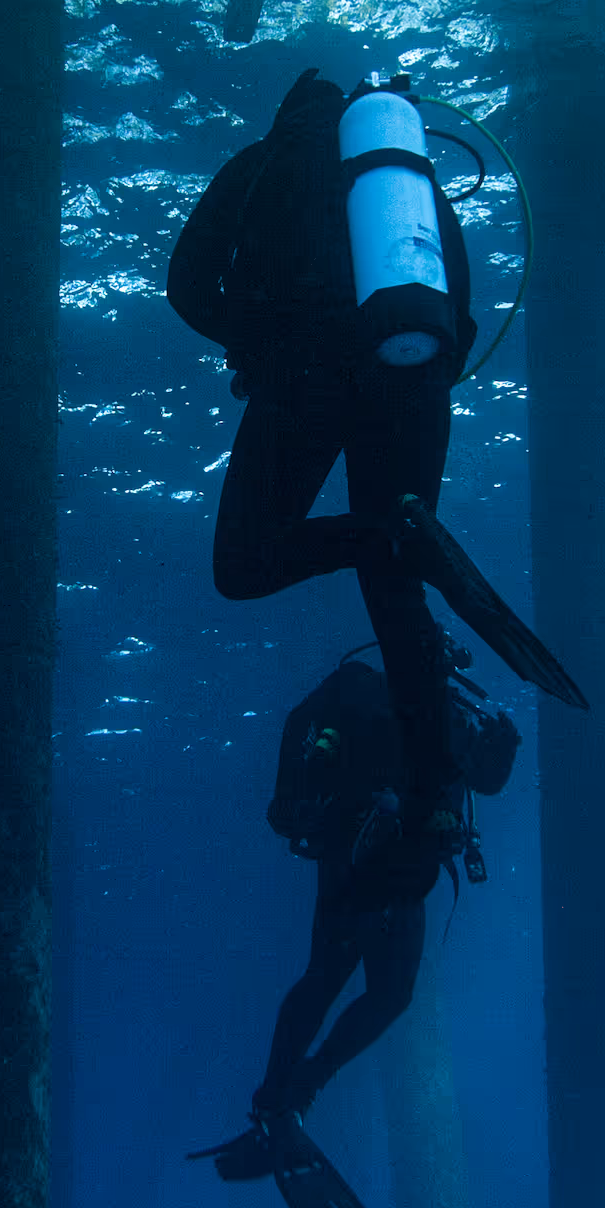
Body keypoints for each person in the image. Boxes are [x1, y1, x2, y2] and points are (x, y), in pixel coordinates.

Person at [169, 67, 582, 865]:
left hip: (303, 376)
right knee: (398, 594)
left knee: (245, 564)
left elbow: (184, 285)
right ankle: (431, 799)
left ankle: (377, 533)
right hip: (416, 371)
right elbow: (455, 306)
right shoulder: (408, 175)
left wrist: (254, 342)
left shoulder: (264, 158)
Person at [198, 648, 523, 1208]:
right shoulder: (430, 707)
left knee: (331, 979)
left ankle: (279, 1099)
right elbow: (485, 780)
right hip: (395, 869)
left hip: (360, 863)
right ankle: (292, 1094)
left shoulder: (371, 698)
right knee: (382, 990)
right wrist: (502, 742)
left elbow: (477, 778)